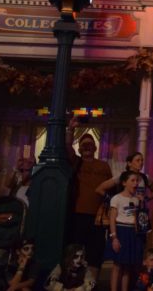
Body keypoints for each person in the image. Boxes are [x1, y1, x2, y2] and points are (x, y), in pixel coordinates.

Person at [66, 119, 112, 279]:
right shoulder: (76, 162)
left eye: (90, 145)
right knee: (76, 249)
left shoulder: (104, 165)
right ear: (79, 148)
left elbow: (110, 188)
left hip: (98, 217)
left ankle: (91, 283)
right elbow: (67, 149)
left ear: (95, 147)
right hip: (78, 214)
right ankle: (74, 281)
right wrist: (70, 131)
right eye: (84, 145)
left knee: (96, 251)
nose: (87, 147)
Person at [95, 153, 153, 245]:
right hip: (123, 218)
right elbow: (99, 189)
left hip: (138, 219)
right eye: (138, 160)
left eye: (142, 160)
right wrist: (113, 200)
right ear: (129, 163)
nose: (141, 163)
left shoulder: (145, 178)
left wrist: (145, 199)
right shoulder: (121, 177)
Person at [105, 171, 143, 291]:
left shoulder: (136, 200)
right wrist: (114, 238)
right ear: (124, 182)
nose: (135, 183)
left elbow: (136, 218)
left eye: (137, 181)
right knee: (117, 265)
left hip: (133, 233)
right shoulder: (117, 198)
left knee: (127, 266)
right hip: (121, 231)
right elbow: (112, 219)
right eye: (132, 180)